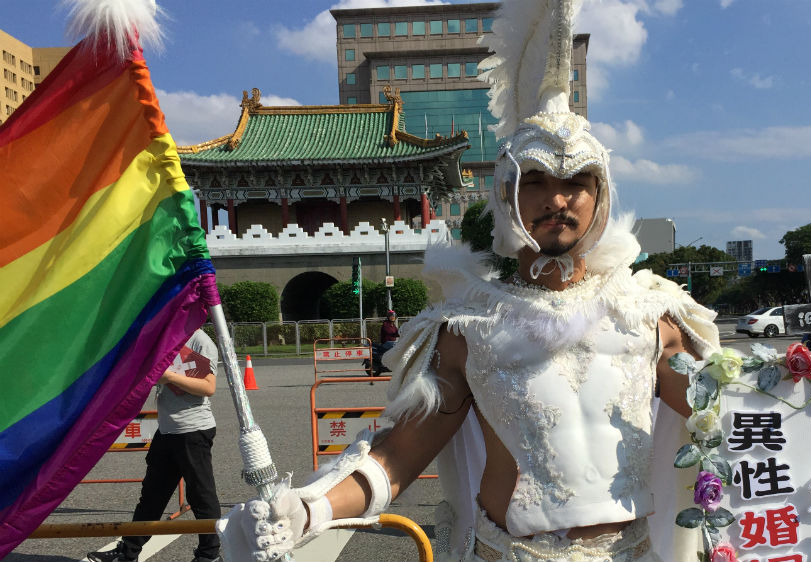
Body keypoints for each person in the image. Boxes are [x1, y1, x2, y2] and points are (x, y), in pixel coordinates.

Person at [217, 2, 719, 561]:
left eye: (576, 181)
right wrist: (309, 510)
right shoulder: (465, 328)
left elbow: (727, 423)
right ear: (507, 193)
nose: (557, 198)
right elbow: (399, 454)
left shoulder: (652, 315)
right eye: (537, 181)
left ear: (600, 196)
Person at [88, 329, 222, 562]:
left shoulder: (199, 340)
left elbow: (208, 387)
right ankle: (128, 552)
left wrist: (168, 376)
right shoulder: (165, 337)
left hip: (193, 430)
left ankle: (209, 555)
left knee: (201, 496)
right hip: (167, 429)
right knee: (151, 495)